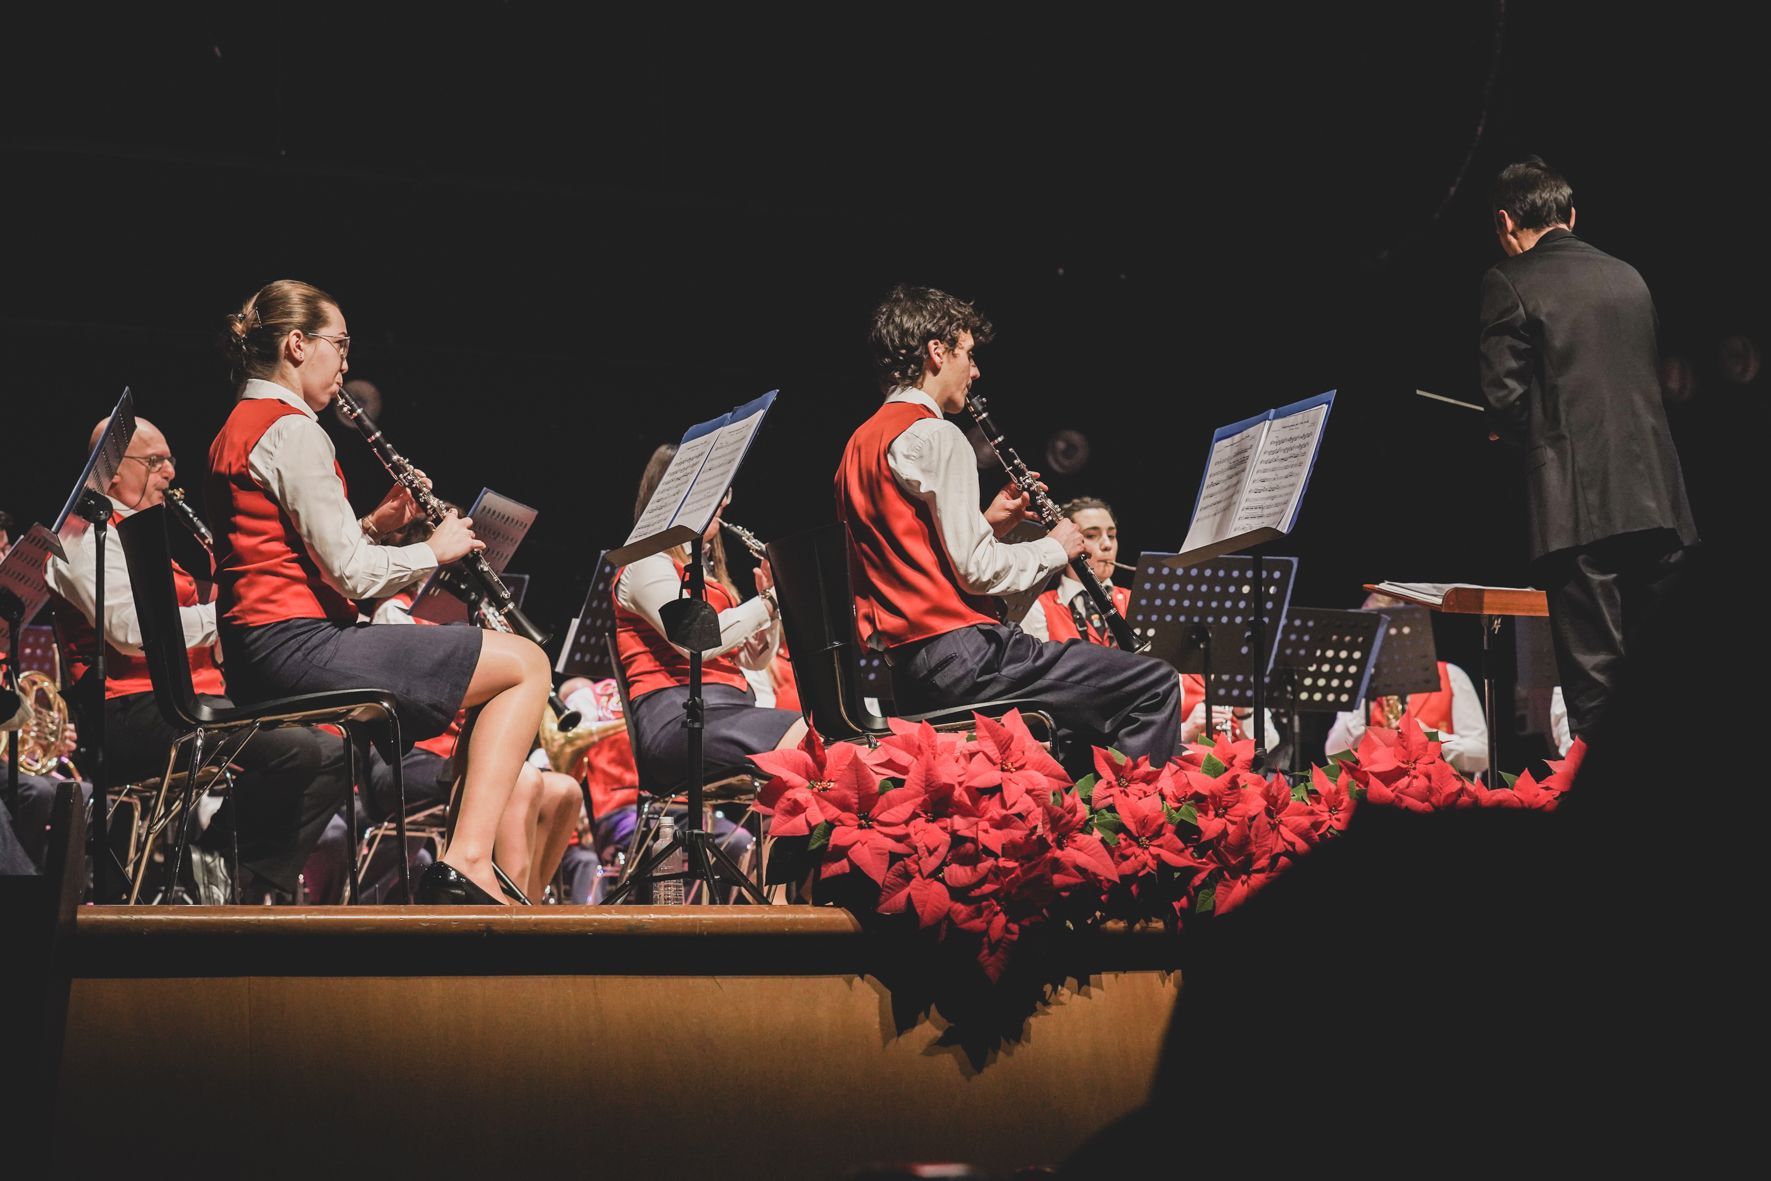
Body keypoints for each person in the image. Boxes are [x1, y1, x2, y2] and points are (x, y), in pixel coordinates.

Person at [208, 279, 551, 905]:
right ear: (296, 344)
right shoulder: (292, 430)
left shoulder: (239, 423)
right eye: (339, 345)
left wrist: (376, 524)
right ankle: (467, 862)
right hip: (295, 646)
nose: (345, 363)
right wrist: (433, 550)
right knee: (527, 663)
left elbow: (298, 552)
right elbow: (351, 576)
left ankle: (463, 861)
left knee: (499, 670)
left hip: (261, 646)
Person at [837, 284, 1180, 764]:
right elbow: (976, 572)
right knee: (1154, 683)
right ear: (937, 352)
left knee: (1081, 726)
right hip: (965, 659)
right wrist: (1056, 546)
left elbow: (908, 553)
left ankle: (1077, 803)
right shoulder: (937, 435)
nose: (975, 371)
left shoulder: (859, 443)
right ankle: (1129, 809)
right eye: (968, 354)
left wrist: (989, 525)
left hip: (911, 672)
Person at [45, 414, 351, 899]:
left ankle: (230, 876)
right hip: (127, 711)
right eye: (155, 461)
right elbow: (129, 632)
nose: (170, 472)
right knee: (297, 749)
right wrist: (229, 614)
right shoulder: (81, 537)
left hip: (189, 702)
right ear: (112, 470)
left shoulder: (139, 533)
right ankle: (216, 864)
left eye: (170, 460)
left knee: (336, 749)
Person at [1479, 157, 1697, 745]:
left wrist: (1516, 430)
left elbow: (1504, 400)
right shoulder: (1629, 276)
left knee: (1598, 690)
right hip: (1660, 504)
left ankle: (1613, 806)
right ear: (1571, 216)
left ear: (1505, 222)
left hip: (1577, 510)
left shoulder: (1510, 279)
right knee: (1665, 682)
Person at [612, 443, 806, 794]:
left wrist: (773, 613)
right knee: (812, 743)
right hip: (676, 722)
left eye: (725, 491)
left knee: (826, 742)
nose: (725, 502)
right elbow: (696, 642)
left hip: (728, 711)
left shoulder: (707, 576)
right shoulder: (645, 563)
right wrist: (769, 603)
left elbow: (753, 660)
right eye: (715, 491)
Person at [1018, 496, 1265, 746]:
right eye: (1091, 535)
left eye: (1111, 535)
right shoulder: (1038, 610)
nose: (1106, 545)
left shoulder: (1146, 602)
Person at [1322, 592, 1489, 775]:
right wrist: (1362, 697)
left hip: (1438, 790)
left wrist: (1428, 737)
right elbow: (1334, 755)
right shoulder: (1362, 686)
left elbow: (1482, 755)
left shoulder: (1451, 676)